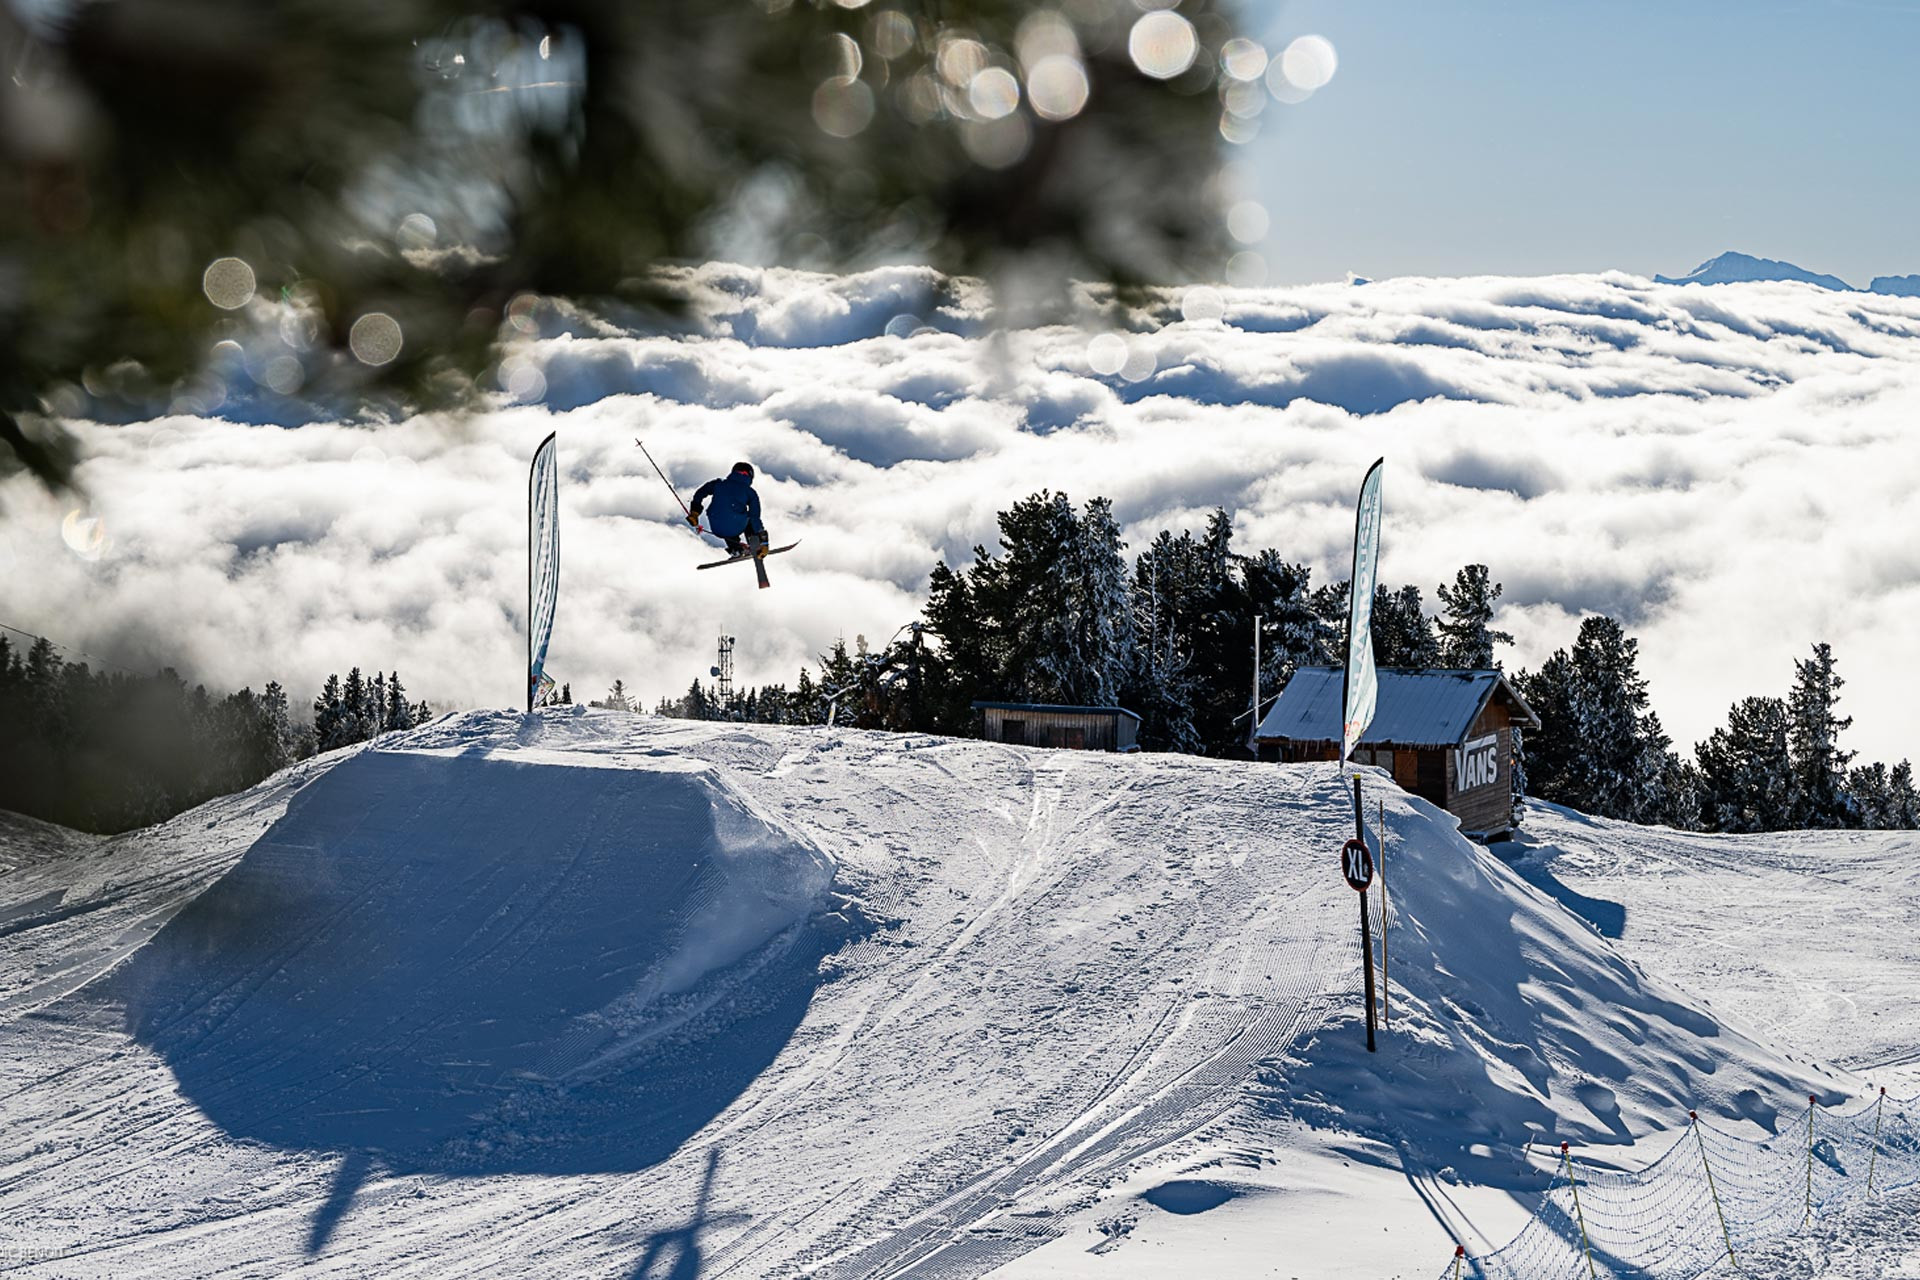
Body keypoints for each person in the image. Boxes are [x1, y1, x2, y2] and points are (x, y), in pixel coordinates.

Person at [688, 461, 768, 557]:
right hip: (734, 525)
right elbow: (755, 517)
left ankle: (736, 549)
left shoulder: (719, 483)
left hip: (717, 527)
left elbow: (700, 493)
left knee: (724, 515)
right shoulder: (750, 492)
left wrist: (694, 512)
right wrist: (764, 541)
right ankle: (756, 545)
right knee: (746, 518)